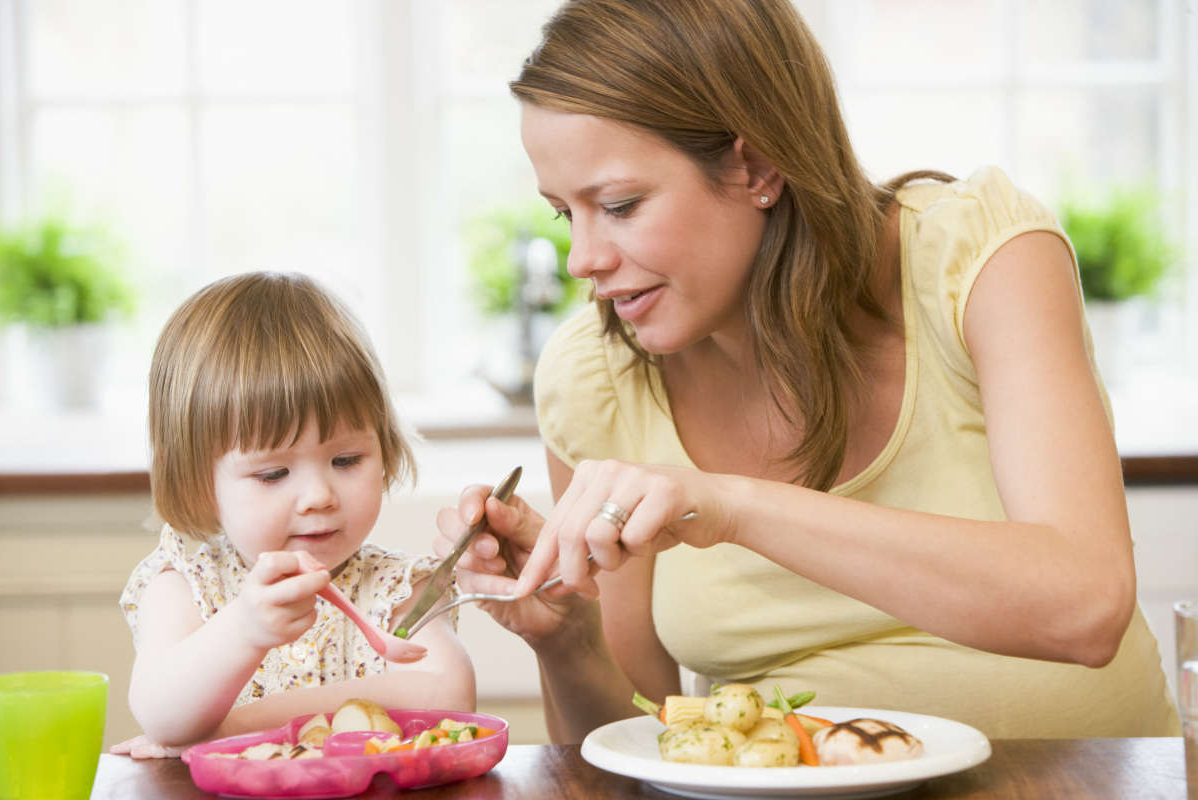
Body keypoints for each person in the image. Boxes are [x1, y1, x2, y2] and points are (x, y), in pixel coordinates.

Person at [434, 0, 1180, 743]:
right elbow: (646, 745)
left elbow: (1085, 606)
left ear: (756, 165)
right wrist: (566, 636)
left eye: (621, 206)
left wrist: (730, 507)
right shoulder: (596, 378)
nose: (582, 260)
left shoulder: (979, 257)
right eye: (566, 213)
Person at [113, 272, 474, 758]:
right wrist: (244, 629)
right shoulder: (186, 587)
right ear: (202, 483)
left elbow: (446, 697)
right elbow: (162, 715)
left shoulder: (397, 588)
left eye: (346, 461)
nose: (319, 496)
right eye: (274, 473)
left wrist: (233, 728)